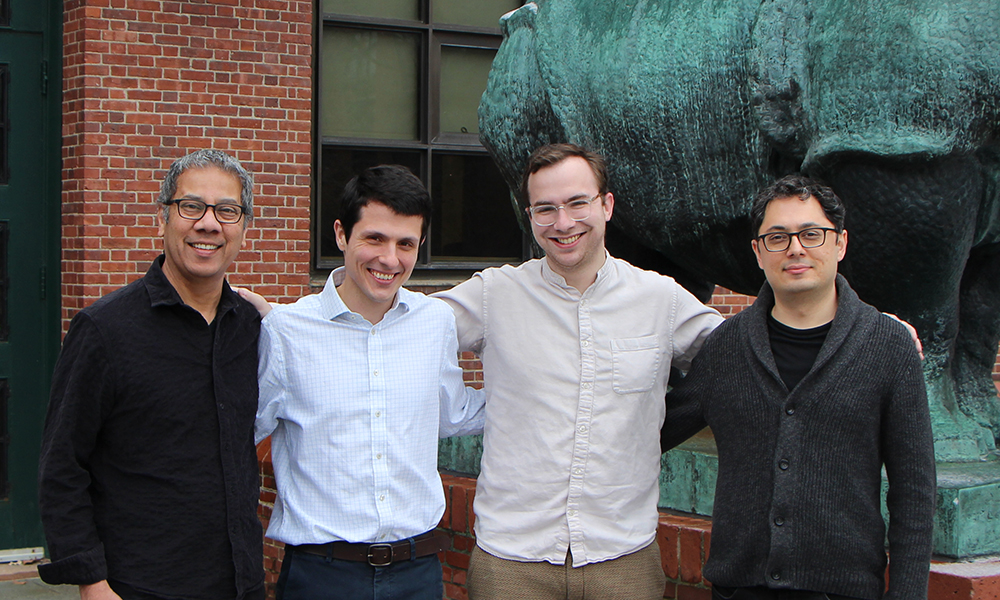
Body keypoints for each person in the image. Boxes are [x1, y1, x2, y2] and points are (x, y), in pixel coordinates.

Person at [434, 143, 724, 600]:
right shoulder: (494, 294)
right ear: (530, 216)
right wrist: (461, 407)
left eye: (577, 203)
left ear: (606, 205)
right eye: (545, 208)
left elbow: (740, 355)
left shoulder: (660, 299)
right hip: (512, 563)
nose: (563, 222)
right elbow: (403, 332)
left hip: (623, 561)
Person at [661, 174, 936, 600]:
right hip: (740, 590)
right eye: (777, 237)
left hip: (844, 592)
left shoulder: (888, 346)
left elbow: (914, 493)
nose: (795, 248)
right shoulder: (726, 348)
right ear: (758, 252)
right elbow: (649, 432)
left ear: (840, 243)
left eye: (811, 234)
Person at [37, 150, 264, 600]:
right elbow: (62, 467)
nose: (209, 224)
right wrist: (92, 583)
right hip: (139, 585)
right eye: (191, 206)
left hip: (240, 584)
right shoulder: (105, 330)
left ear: (244, 227)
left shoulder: (251, 328)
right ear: (163, 216)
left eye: (227, 210)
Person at [253, 165, 486, 600]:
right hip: (321, 576)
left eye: (405, 244)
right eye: (374, 238)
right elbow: (238, 435)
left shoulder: (434, 322)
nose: (390, 259)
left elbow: (452, 413)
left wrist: (544, 388)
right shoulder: (286, 331)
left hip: (417, 573)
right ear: (341, 235)